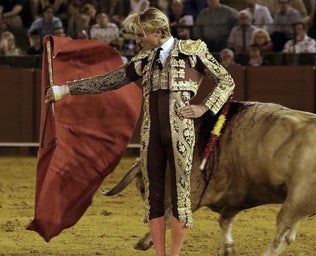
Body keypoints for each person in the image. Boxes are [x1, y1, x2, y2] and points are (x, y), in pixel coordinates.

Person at [44, 7, 235, 256]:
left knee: (180, 195)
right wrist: (65, 90)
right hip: (151, 135)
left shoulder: (192, 51)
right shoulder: (144, 59)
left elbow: (226, 80)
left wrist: (204, 107)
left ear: (159, 32)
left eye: (141, 34)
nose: (138, 40)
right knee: (154, 197)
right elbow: (109, 80)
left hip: (181, 134)